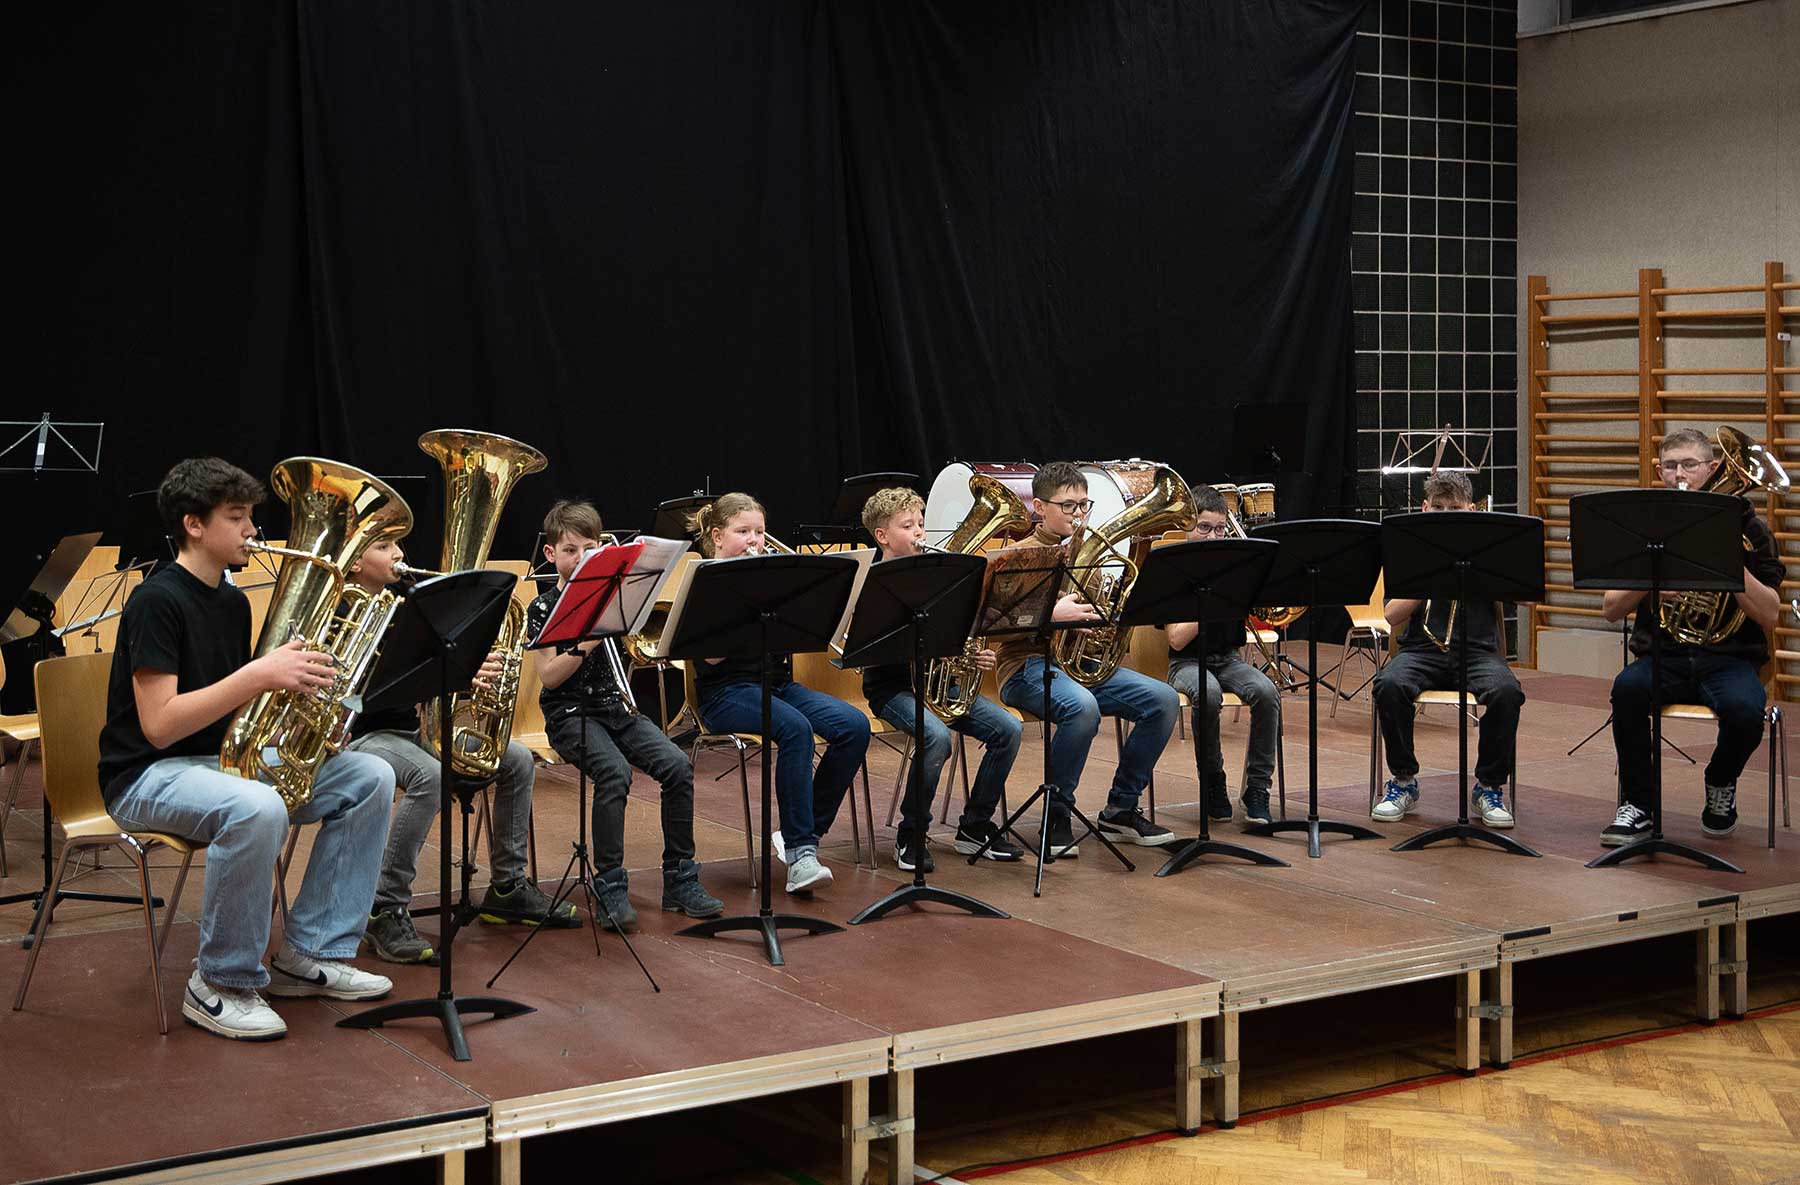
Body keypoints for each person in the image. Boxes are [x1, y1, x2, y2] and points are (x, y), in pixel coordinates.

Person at [97, 457, 395, 1041]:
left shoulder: (232, 604)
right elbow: (159, 725)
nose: (252, 530)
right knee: (257, 807)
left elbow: (234, 713)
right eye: (236, 518)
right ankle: (220, 982)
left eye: (250, 517)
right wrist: (260, 674)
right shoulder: (156, 600)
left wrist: (310, 724)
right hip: (144, 776)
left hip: (216, 763)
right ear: (194, 525)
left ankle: (312, 952)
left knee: (369, 776)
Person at [344, 537, 576, 966]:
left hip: (412, 729)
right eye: (383, 546)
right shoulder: (342, 610)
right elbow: (362, 690)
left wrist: (466, 665)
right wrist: (453, 673)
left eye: (398, 544)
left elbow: (432, 668)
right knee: (430, 777)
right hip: (360, 736)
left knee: (516, 760)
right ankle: (385, 906)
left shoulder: (409, 603)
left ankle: (507, 886)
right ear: (355, 561)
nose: (399, 553)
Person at [528, 500, 723, 929]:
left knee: (677, 766)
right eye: (570, 551)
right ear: (550, 554)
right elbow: (550, 677)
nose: (580, 558)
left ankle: (680, 879)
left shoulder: (614, 597)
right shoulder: (543, 608)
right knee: (614, 773)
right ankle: (611, 886)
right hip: (568, 714)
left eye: (589, 549)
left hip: (614, 706)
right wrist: (589, 639)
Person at [1600, 427, 1783, 844]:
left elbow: (1770, 614)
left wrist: (1723, 560)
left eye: (1689, 464)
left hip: (1730, 658)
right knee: (1626, 691)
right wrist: (1650, 580)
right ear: (1658, 471)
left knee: (1744, 710)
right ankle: (1638, 804)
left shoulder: (1753, 533)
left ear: (1713, 468)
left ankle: (1720, 780)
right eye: (1670, 466)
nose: (1679, 474)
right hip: (1663, 656)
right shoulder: (1648, 528)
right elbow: (1611, 609)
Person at [991, 462, 1181, 855]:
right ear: (1040, 507)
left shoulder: (1089, 553)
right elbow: (994, 629)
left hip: (1075, 668)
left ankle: (1120, 809)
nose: (1078, 514)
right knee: (1082, 708)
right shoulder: (1016, 556)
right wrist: (1051, 615)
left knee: (1163, 700)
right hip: (1026, 666)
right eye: (1068, 506)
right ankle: (1057, 813)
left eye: (1083, 505)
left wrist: (1104, 617)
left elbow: (1093, 614)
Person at [687, 492, 871, 894]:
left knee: (854, 726)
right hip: (725, 692)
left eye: (759, 532)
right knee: (795, 729)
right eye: (743, 532)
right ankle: (802, 856)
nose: (754, 540)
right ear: (717, 536)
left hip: (777, 685)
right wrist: (749, 605)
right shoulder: (706, 581)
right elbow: (711, 658)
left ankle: (800, 835)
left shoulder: (772, 578)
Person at [859, 487, 1023, 869]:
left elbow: (960, 631)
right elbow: (868, 649)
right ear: (882, 536)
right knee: (935, 736)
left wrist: (973, 655)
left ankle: (975, 826)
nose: (919, 532)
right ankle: (911, 833)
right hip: (892, 688)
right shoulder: (871, 583)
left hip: (941, 685)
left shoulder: (942, 577)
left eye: (920, 523)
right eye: (907, 526)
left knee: (1008, 730)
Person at [1370, 471, 1524, 827]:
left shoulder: (1487, 549)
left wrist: (1489, 566)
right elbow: (1391, 615)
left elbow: (1527, 598)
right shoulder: (1411, 549)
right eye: (1438, 507)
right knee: (1389, 685)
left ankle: (1489, 786)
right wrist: (1432, 574)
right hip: (1421, 651)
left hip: (1478, 653)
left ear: (1471, 510)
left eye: (1454, 508)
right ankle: (1403, 780)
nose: (1445, 514)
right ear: (1425, 509)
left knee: (1506, 692)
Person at [1162, 485, 1281, 826]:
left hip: (1228, 659)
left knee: (1267, 692)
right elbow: (1177, 639)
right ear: (1188, 525)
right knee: (1208, 693)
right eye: (1204, 528)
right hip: (1185, 662)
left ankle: (1257, 788)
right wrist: (1212, 598)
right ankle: (1213, 780)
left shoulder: (1236, 567)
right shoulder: (1173, 568)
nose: (1213, 536)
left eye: (1220, 529)